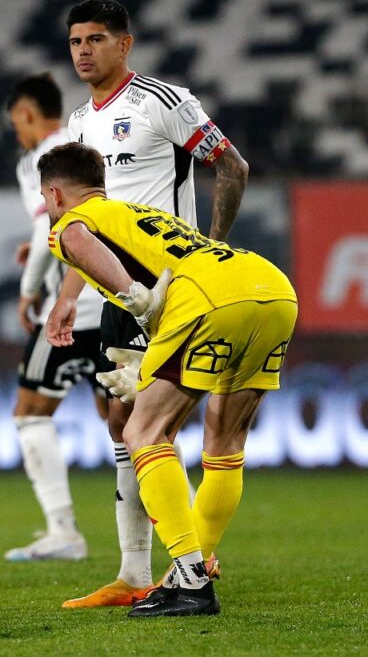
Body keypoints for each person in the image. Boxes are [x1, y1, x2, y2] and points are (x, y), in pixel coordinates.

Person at [50, 0, 250, 609]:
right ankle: (138, 573)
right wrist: (68, 296)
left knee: (156, 423)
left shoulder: (163, 103)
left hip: (171, 291)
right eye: (76, 41)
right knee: (123, 422)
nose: (84, 51)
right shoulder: (80, 123)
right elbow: (86, 225)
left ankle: (184, 562)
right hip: (119, 293)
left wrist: (210, 251)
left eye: (96, 40)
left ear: (124, 44)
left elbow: (232, 167)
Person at [38, 141, 296, 616]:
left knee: (142, 431)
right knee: (224, 441)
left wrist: (133, 297)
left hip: (207, 299)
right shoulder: (137, 212)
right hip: (271, 287)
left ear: (55, 195)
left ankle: (192, 584)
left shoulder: (71, 222)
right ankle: (192, 568)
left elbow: (74, 239)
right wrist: (149, 368)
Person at [3, 74, 107, 562]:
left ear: (26, 114)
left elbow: (53, 222)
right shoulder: (87, 146)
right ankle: (174, 544)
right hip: (116, 300)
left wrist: (28, 291)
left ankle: (63, 531)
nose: (18, 135)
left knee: (29, 414)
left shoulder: (39, 161)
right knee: (131, 429)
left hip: (71, 305)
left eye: (17, 124)